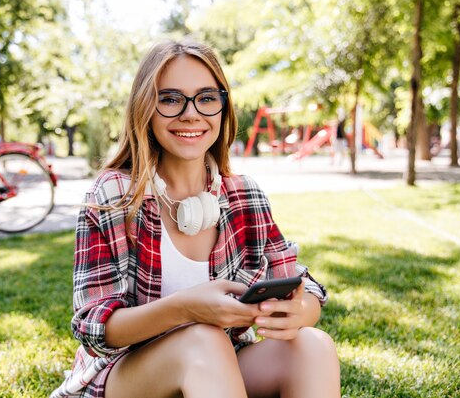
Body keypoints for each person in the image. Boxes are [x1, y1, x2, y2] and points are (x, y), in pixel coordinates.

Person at [50, 39, 340, 398]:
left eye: (206, 98)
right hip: (126, 379)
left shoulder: (244, 195)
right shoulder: (112, 196)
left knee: (314, 346)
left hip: (217, 374)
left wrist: (302, 310)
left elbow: (303, 284)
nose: (191, 114)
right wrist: (187, 308)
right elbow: (94, 328)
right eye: (170, 99)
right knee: (203, 339)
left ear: (222, 107)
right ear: (146, 108)